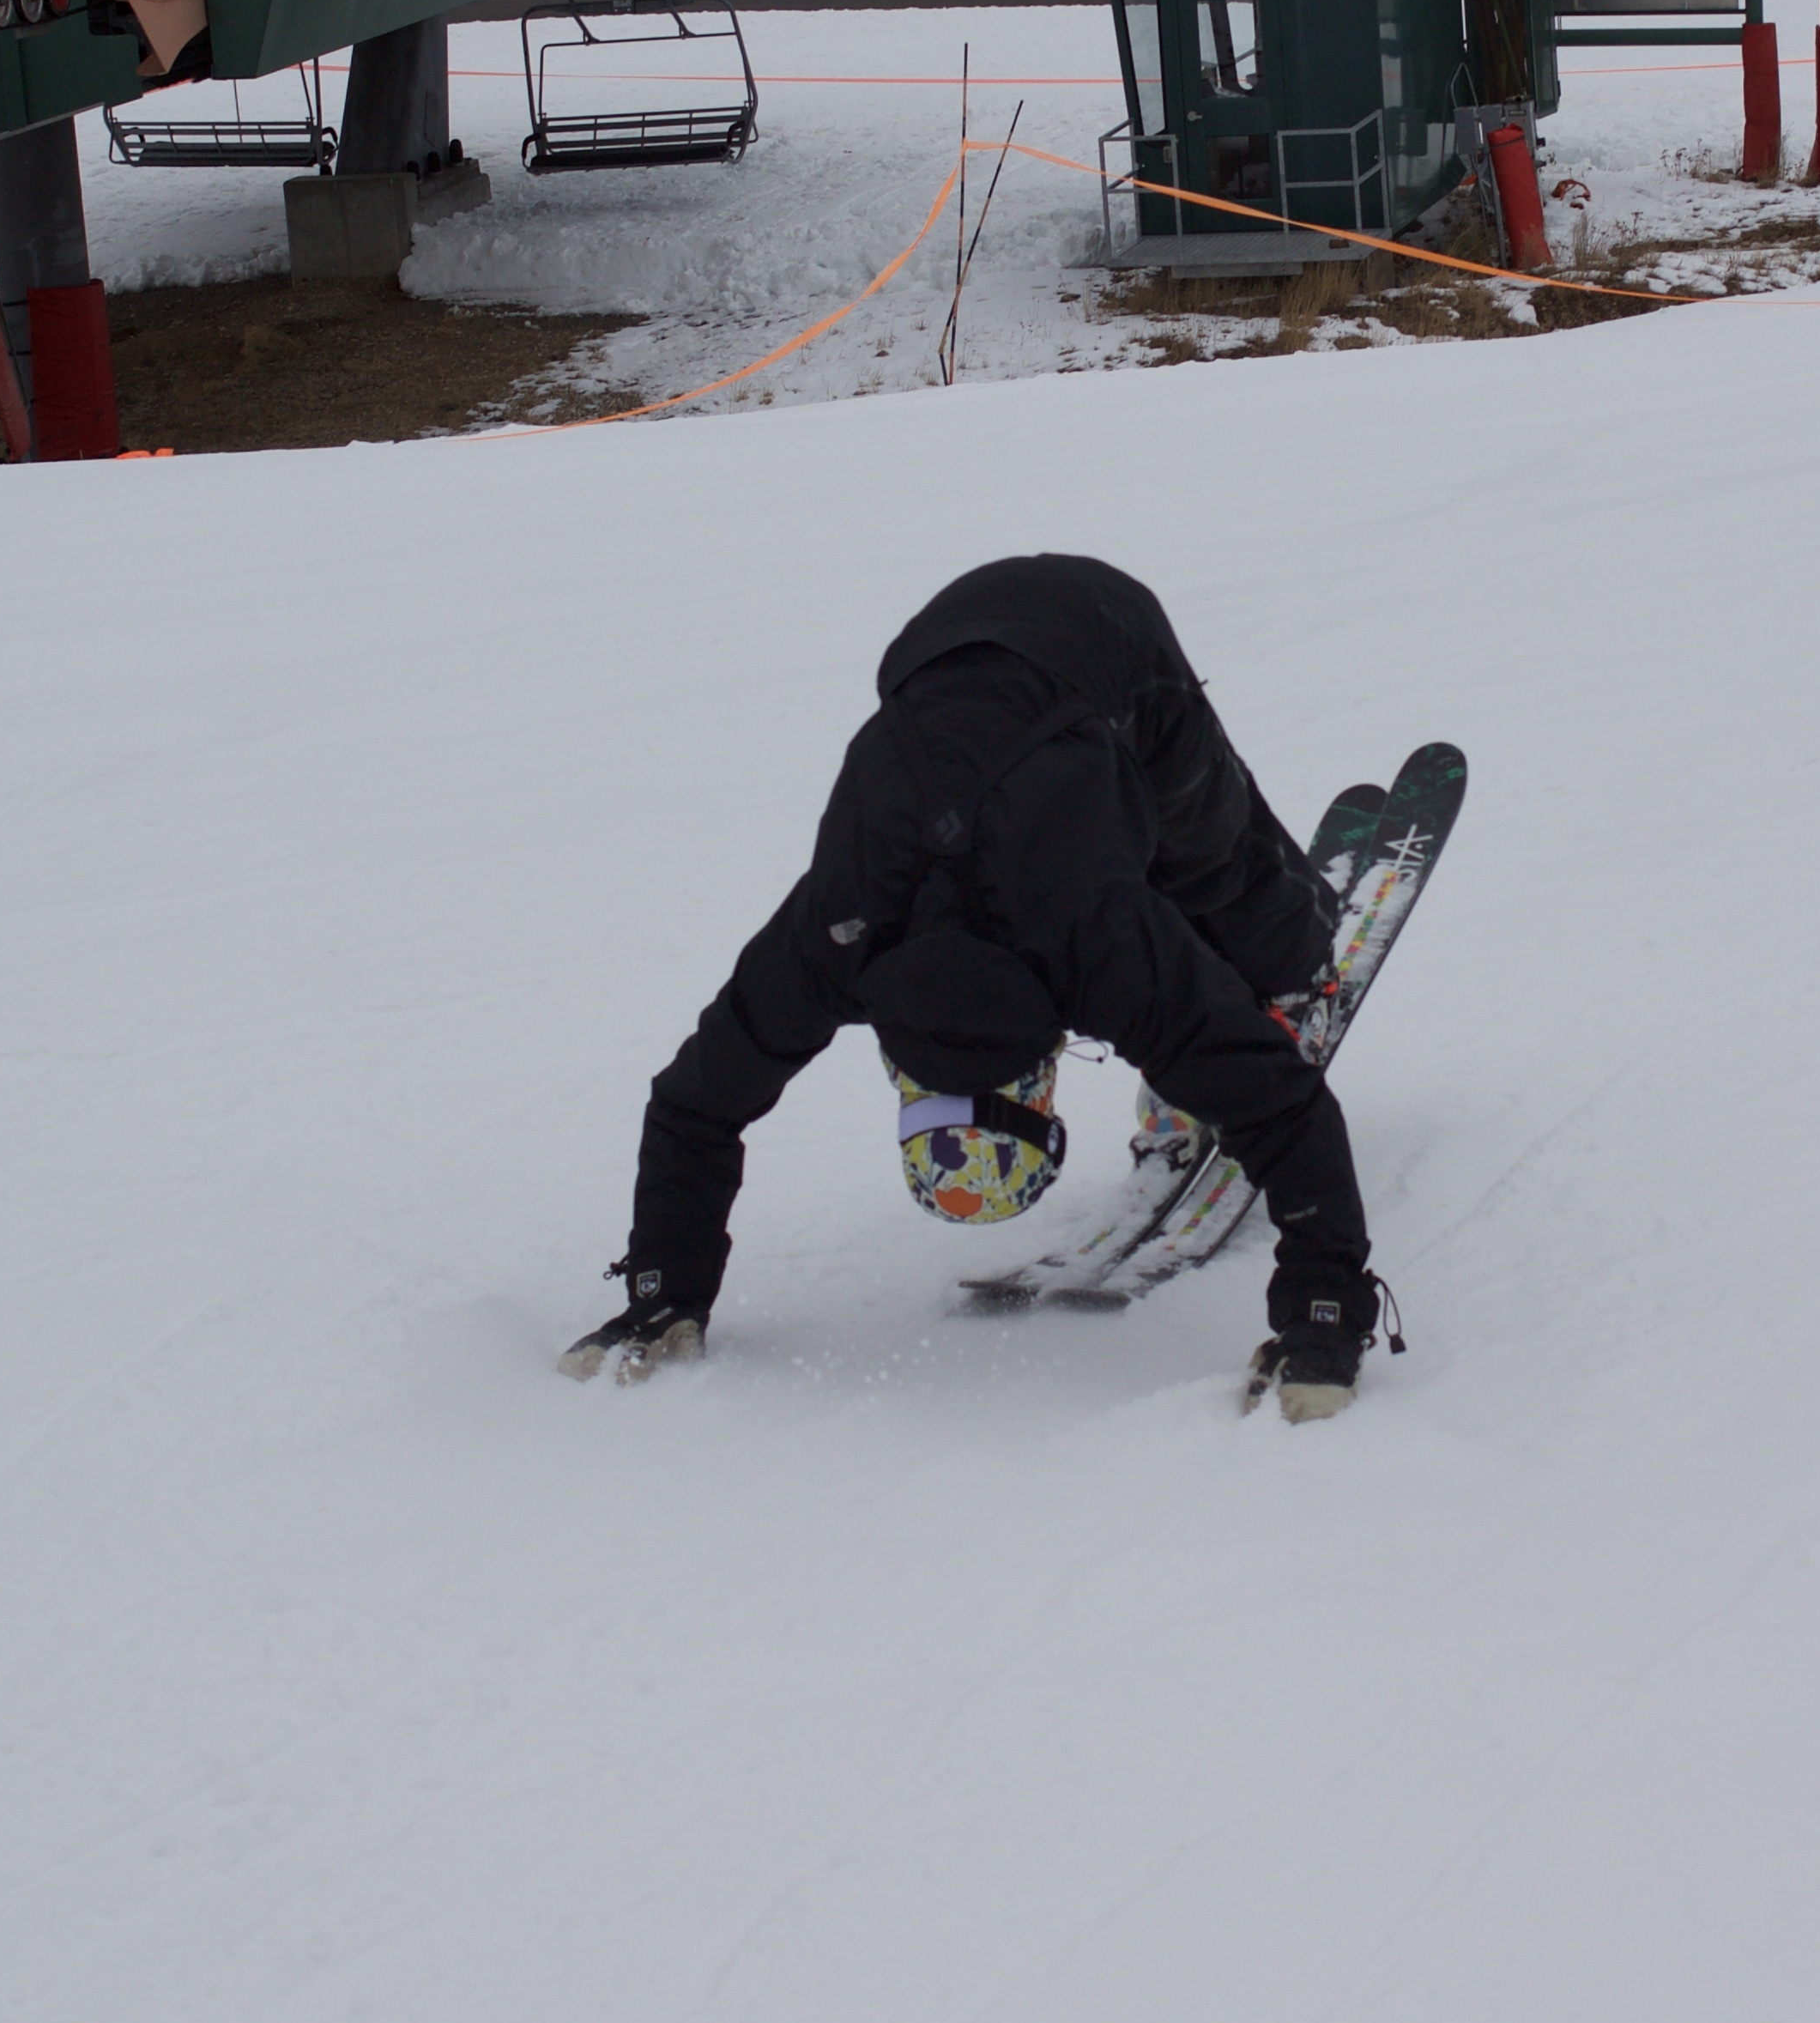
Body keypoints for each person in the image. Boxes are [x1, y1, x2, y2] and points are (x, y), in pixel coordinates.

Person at [566, 555, 1394, 1418]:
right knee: (1169, 899)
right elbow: (693, 1107)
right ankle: (1222, 993)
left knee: (1215, 867)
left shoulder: (1087, 942)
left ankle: (1294, 971)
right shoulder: (841, 934)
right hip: (940, 645)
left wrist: (1324, 1312)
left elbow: (1281, 1103)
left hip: (1108, 642)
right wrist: (664, 1292)